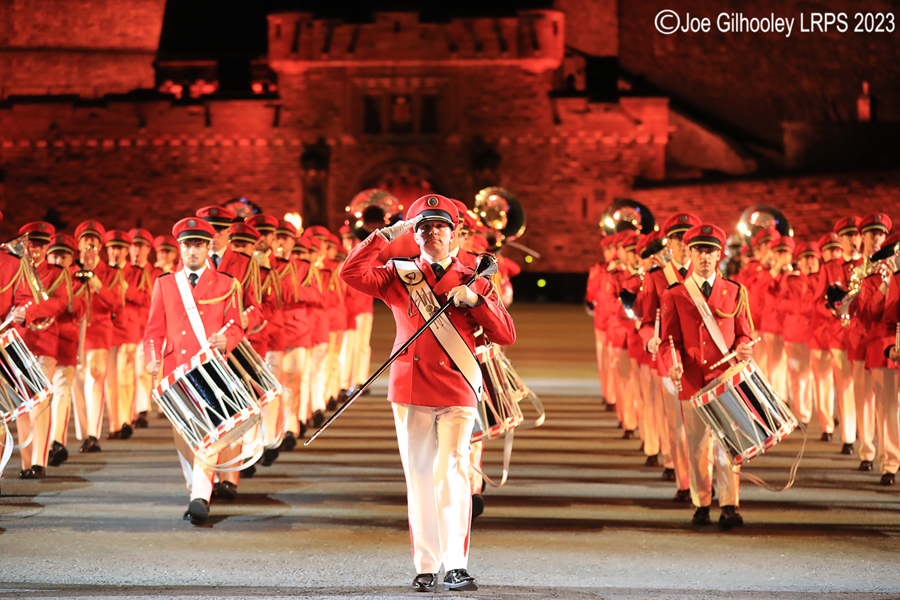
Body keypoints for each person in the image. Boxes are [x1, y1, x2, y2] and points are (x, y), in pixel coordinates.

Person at [341, 194, 516, 592]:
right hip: (410, 387)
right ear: (413, 233)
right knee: (419, 477)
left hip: (457, 384)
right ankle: (426, 564)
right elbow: (350, 274)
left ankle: (456, 563)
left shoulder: (476, 275)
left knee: (453, 472)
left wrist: (476, 301)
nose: (431, 232)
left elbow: (506, 333)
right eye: (422, 226)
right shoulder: (397, 274)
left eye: (439, 226)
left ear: (454, 233)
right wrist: (385, 235)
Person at [143, 217, 245, 526]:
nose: (192, 252)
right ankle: (195, 488)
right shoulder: (165, 283)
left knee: (206, 432)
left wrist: (227, 339)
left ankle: (201, 495)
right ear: (180, 248)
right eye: (187, 245)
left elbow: (237, 325)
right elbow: (153, 331)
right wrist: (152, 359)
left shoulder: (226, 283)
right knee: (183, 434)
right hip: (176, 370)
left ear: (207, 247)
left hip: (210, 369)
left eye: (198, 245)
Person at [660, 224, 753, 529]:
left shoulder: (735, 291)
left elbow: (744, 334)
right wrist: (671, 363)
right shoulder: (674, 294)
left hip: (725, 379)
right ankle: (702, 502)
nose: (704, 257)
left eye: (710, 250)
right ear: (691, 252)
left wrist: (743, 349)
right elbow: (668, 340)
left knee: (729, 442)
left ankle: (729, 504)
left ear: (719, 254)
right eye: (699, 250)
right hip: (692, 379)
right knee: (698, 446)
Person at [639, 212, 699, 501]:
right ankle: (685, 482)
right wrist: (649, 339)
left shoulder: (707, 275)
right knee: (677, 427)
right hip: (671, 363)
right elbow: (646, 320)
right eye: (677, 239)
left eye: (687, 239)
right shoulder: (657, 278)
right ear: (669, 244)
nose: (683, 245)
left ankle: (704, 485)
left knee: (704, 430)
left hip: (703, 363)